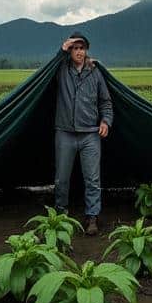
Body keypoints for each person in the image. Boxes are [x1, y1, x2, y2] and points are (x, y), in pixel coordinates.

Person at [54, 31, 113, 235]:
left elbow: (105, 101)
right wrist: (61, 50)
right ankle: (60, 215)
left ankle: (92, 218)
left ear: (86, 50)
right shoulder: (61, 70)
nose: (79, 52)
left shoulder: (95, 72)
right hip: (65, 132)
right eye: (75, 48)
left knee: (92, 179)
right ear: (69, 51)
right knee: (62, 179)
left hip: (90, 134)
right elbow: (52, 65)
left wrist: (106, 121)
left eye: (82, 48)